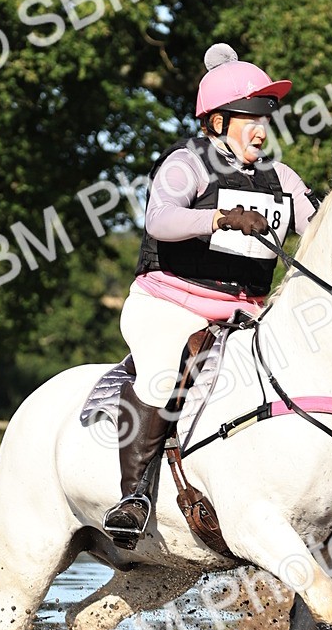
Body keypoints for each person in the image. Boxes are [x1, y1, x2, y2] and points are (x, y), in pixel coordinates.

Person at [103, 43, 316, 545]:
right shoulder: (186, 164)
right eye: (250, 120)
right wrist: (219, 218)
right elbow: (159, 219)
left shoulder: (281, 177)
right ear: (217, 122)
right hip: (172, 304)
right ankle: (133, 497)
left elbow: (317, 224)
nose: (261, 131)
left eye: (265, 119)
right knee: (163, 374)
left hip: (247, 315)